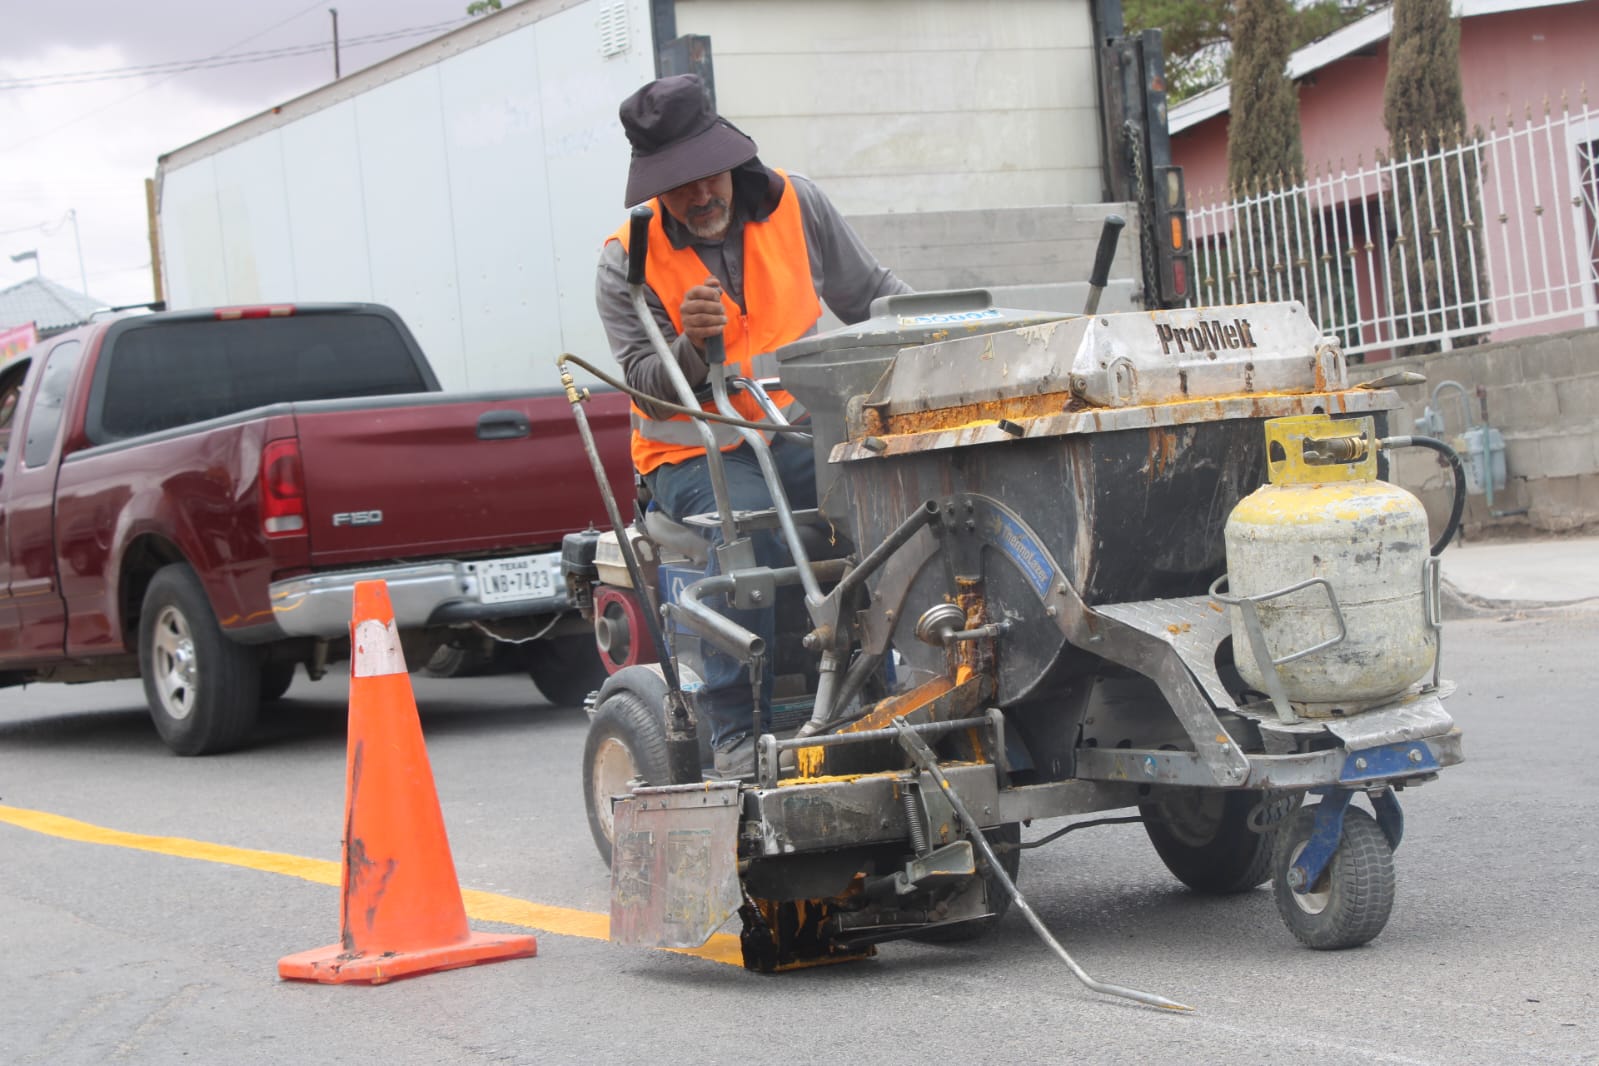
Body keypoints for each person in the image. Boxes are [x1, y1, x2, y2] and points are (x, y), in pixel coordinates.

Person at [595, 73, 910, 777]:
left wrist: (945, 336)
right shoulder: (625, 259)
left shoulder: (798, 204)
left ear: (729, 156)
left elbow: (873, 297)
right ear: (654, 186)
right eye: (678, 185)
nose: (699, 195)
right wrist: (687, 347)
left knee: (885, 507)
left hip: (793, 429)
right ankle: (740, 728)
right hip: (691, 453)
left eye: (708, 175)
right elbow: (648, 390)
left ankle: (880, 694)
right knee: (749, 529)